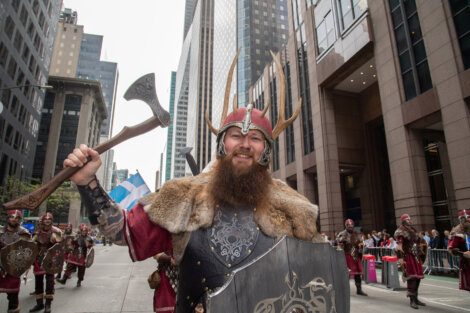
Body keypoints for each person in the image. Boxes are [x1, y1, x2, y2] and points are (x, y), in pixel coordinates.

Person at [64, 97, 321, 312]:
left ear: (265, 149)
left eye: (255, 138)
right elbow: (123, 232)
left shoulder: (293, 207)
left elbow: (316, 279)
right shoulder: (182, 196)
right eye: (235, 136)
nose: (244, 144)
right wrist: (88, 183)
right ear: (222, 144)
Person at [30, 212, 62, 313]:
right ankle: (39, 304)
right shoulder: (38, 232)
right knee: (38, 282)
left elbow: (60, 247)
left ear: (51, 220)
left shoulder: (56, 231)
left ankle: (48, 305)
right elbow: (31, 244)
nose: (47, 220)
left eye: (49, 219)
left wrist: (57, 241)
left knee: (49, 283)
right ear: (43, 220)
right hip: (39, 259)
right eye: (45, 219)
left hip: (50, 260)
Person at [0, 210, 32, 313]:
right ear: (8, 218)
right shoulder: (0, 231)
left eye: (17, 217)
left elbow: (28, 253)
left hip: (14, 267)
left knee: (13, 296)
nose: (14, 219)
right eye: (12, 217)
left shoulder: (24, 233)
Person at [394, 214, 426, 309]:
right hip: (408, 256)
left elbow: (418, 242)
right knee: (412, 277)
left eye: (409, 219)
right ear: (403, 221)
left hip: (415, 256)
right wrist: (400, 259)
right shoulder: (401, 231)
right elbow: (399, 246)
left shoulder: (412, 230)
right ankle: (412, 300)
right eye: (407, 219)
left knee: (418, 277)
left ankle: (416, 298)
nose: (409, 220)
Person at [336, 219, 367, 296]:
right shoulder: (342, 234)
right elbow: (338, 243)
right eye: (348, 225)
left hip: (355, 256)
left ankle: (359, 290)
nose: (350, 227)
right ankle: (344, 290)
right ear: (346, 226)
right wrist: (342, 242)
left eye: (352, 225)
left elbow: (361, 242)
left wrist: (361, 245)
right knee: (346, 274)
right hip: (346, 256)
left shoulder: (356, 233)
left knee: (357, 274)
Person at [448, 209, 470, 291]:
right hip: (467, 261)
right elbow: (451, 249)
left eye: (468, 218)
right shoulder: (456, 232)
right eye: (463, 218)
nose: (466, 221)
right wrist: (462, 253)